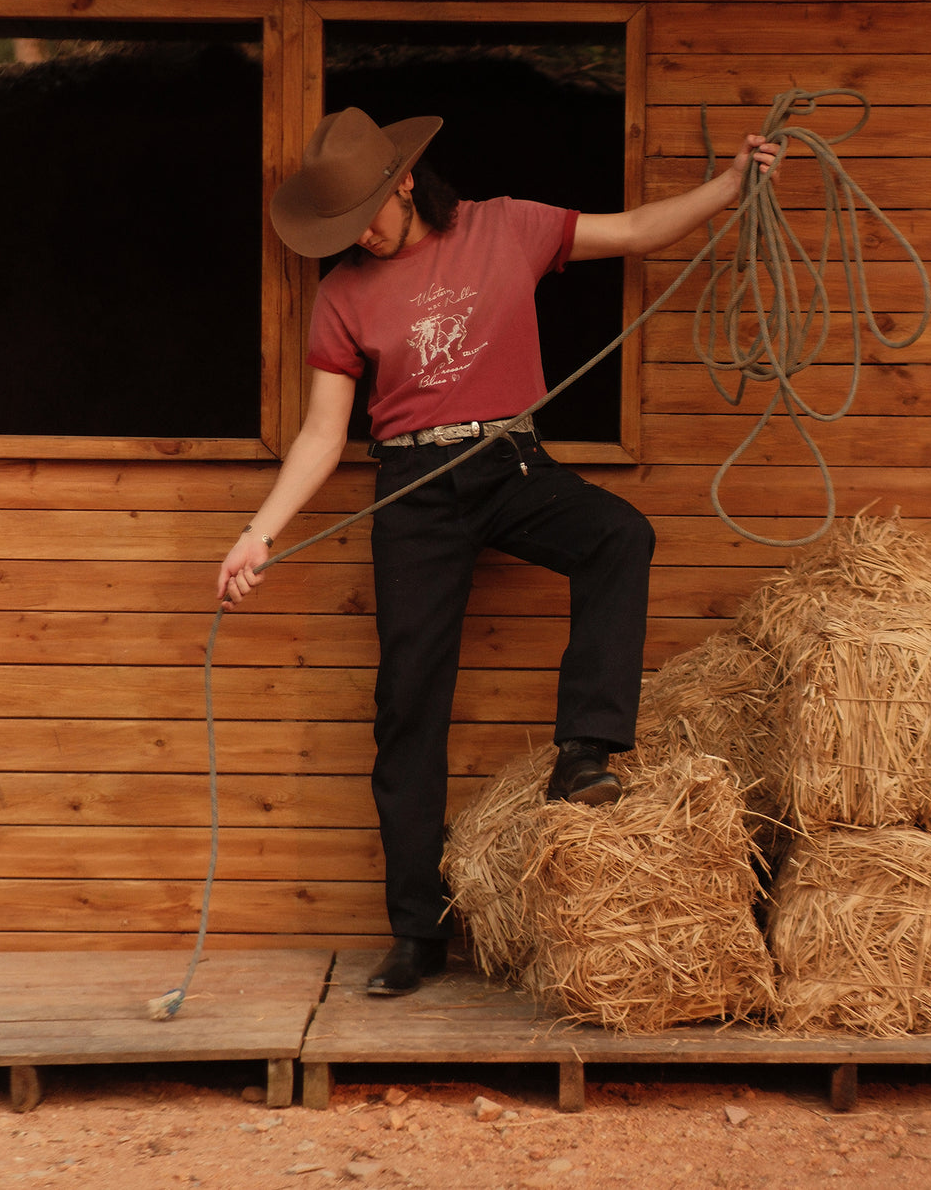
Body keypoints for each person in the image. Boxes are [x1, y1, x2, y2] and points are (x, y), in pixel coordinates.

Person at [217, 105, 781, 996]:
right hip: (411, 490)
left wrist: (729, 187)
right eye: (341, 224)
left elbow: (633, 231)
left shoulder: (503, 226)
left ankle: (584, 754)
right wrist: (260, 532)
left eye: (367, 211)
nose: (359, 233)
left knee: (618, 536)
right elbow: (323, 434)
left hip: (510, 459)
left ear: (405, 181)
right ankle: (415, 933)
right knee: (408, 705)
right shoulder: (342, 294)